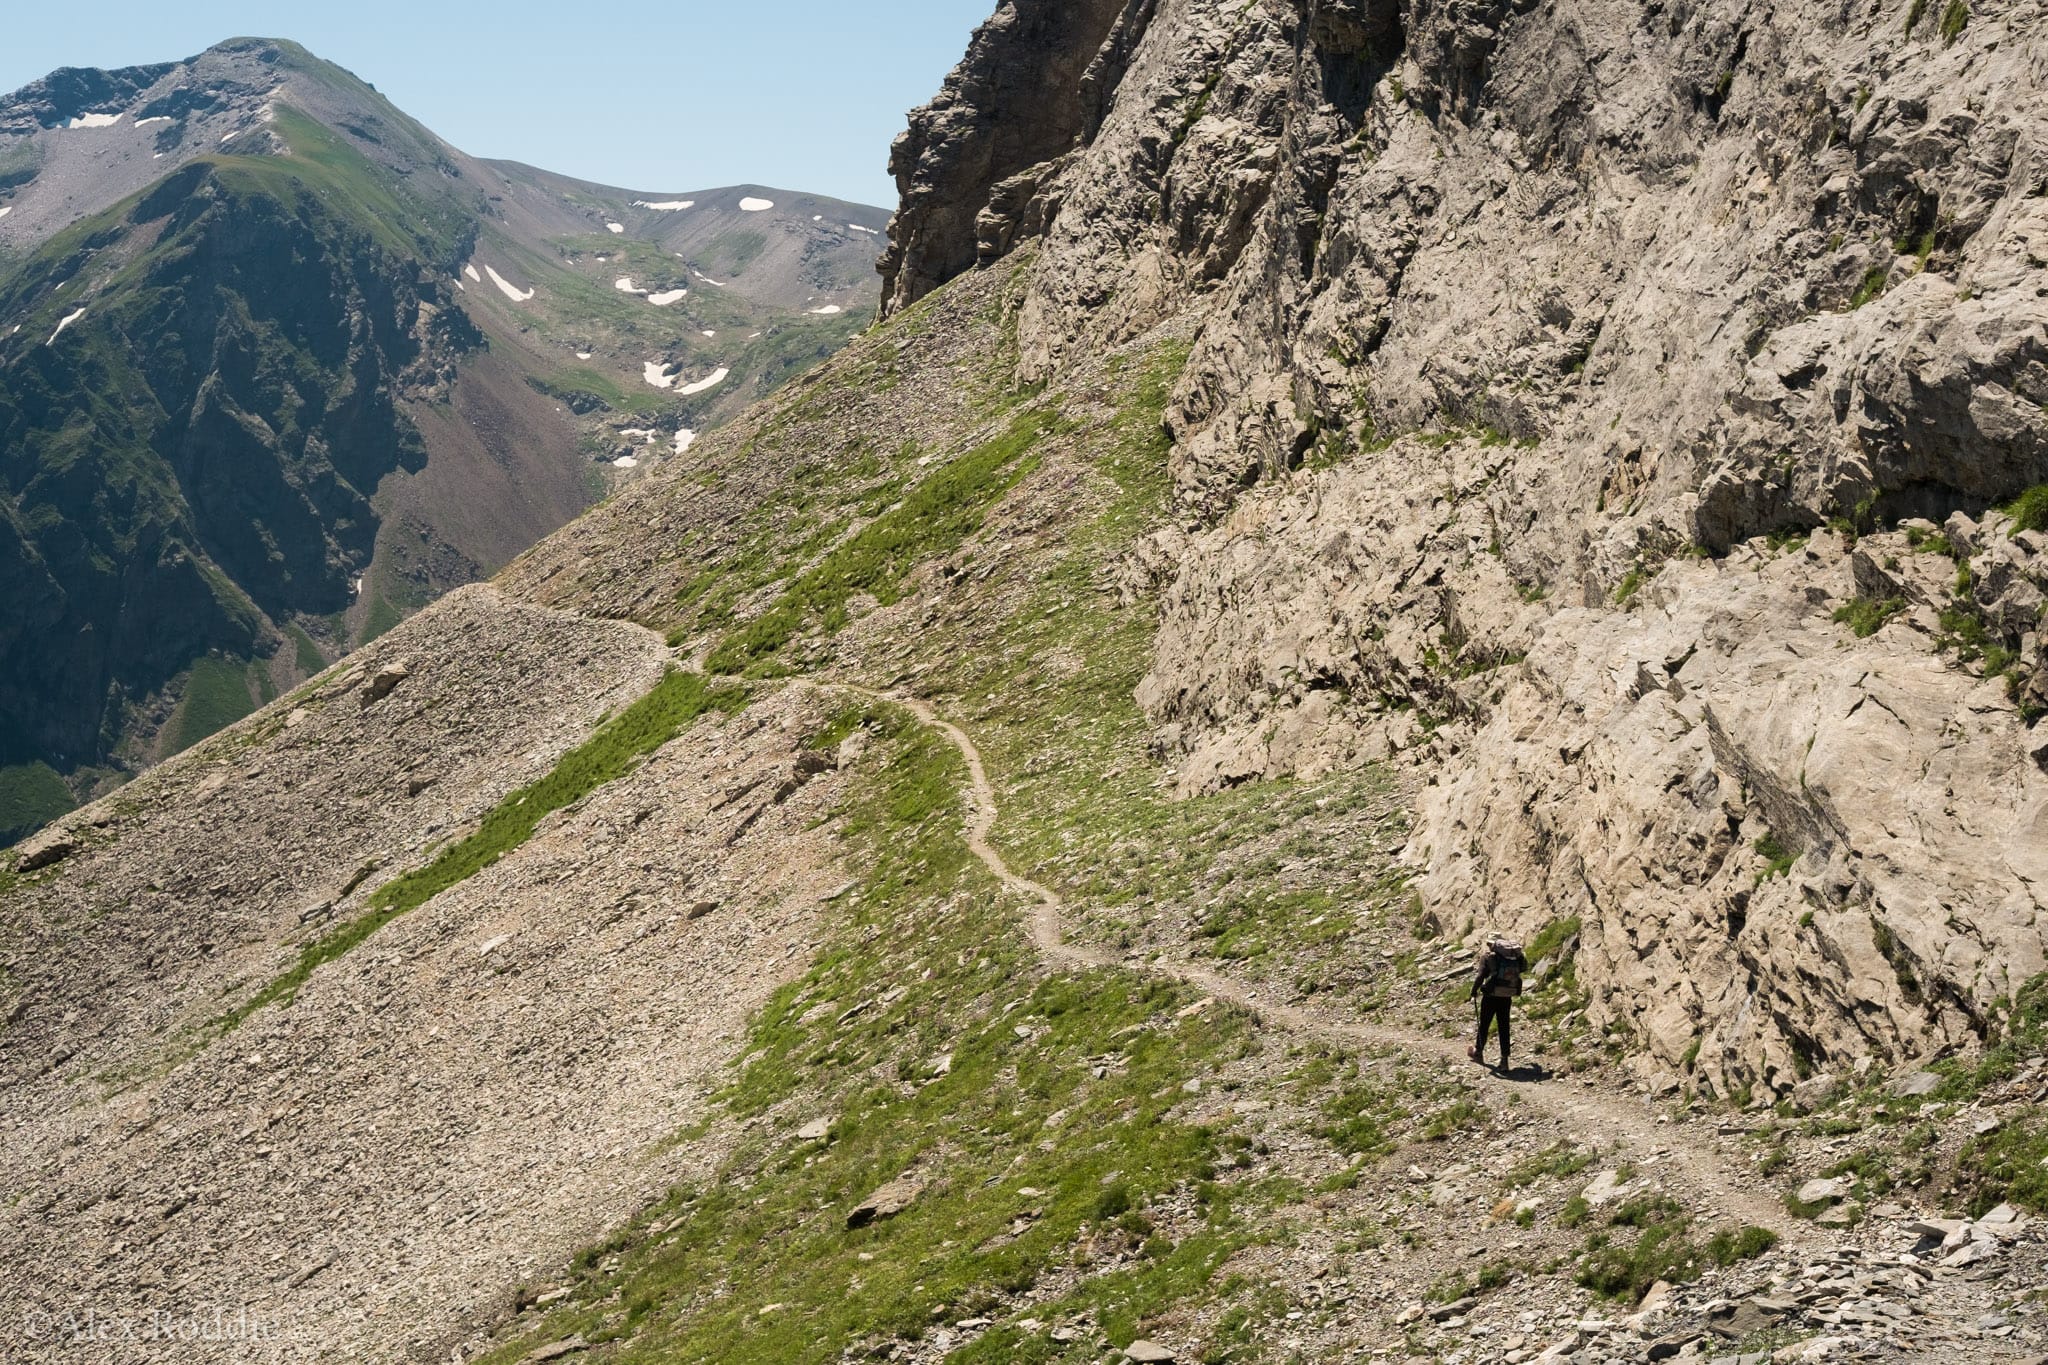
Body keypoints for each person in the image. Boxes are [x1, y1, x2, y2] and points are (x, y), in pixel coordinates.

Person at [1468, 936, 1525, 1071]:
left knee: (1484, 1024)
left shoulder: (1488, 957)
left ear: (1491, 944)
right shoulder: (1514, 957)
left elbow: (1480, 976)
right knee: (1504, 1026)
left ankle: (1478, 1052)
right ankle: (1504, 1060)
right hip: (1506, 996)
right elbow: (1522, 969)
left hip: (1491, 995)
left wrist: (1474, 991)